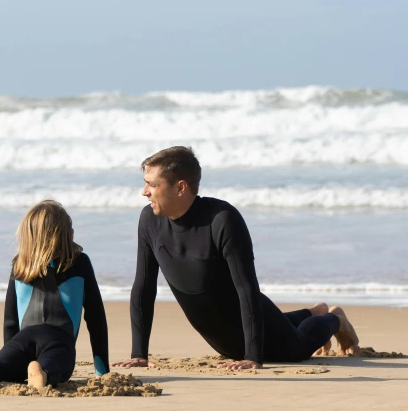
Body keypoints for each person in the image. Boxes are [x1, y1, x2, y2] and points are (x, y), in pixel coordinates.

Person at [114, 147, 359, 371]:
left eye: (152, 185)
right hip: (222, 340)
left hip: (253, 324)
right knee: (241, 345)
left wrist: (253, 356)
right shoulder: (149, 220)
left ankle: (333, 319)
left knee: (296, 348)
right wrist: (139, 354)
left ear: (180, 188)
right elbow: (144, 287)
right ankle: (312, 311)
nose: (144, 192)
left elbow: (246, 288)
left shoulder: (221, 220)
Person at [0, 200, 109, 388]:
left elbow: (10, 320)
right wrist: (101, 370)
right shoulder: (79, 262)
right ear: (69, 234)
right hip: (59, 339)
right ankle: (42, 373)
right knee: (56, 366)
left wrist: (12, 352)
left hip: (22, 340)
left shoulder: (20, 264)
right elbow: (96, 318)